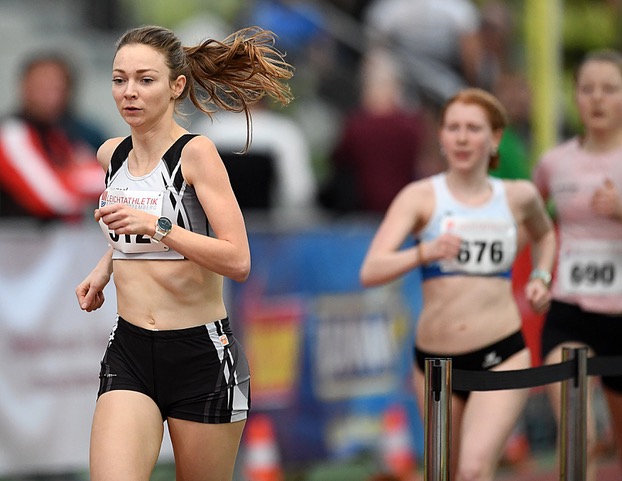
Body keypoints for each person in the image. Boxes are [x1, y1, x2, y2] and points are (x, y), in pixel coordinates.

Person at [74, 25, 293, 481]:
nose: (130, 92)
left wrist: (158, 227)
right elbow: (131, 231)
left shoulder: (196, 154)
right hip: (130, 350)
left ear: (176, 86)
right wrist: (106, 265)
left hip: (201, 354)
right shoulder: (110, 156)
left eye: (145, 80)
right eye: (119, 79)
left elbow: (238, 260)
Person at [360, 88, 556, 481]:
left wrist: (541, 276)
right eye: (453, 128)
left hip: (501, 352)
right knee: (444, 473)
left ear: (495, 137)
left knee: (473, 469)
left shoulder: (518, 196)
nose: (462, 138)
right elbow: (371, 270)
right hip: (435, 362)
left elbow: (545, 234)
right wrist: (424, 252)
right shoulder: (419, 197)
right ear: (441, 136)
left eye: (473, 128)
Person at [533, 48, 622, 481]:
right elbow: (531, 222)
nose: (597, 99)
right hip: (569, 312)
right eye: (587, 89)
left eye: (609, 89)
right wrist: (539, 272)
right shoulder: (554, 162)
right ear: (575, 96)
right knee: (577, 437)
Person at [0, 53, 106, 221]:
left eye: (56, 88)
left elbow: (113, 179)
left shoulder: (65, 132)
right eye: (40, 87)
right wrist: (75, 177)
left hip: (62, 233)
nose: (47, 96)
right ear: (24, 87)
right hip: (17, 233)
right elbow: (54, 199)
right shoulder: (11, 133)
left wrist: (68, 178)